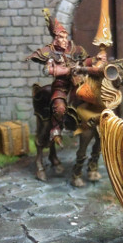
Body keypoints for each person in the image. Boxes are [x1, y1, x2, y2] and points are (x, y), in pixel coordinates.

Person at [27, 9, 88, 145]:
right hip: (61, 86)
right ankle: (56, 129)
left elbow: (86, 60)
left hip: (79, 82)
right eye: (61, 37)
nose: (65, 40)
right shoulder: (51, 52)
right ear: (55, 38)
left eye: (65, 37)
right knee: (59, 108)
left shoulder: (75, 49)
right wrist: (64, 70)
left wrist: (96, 60)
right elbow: (46, 70)